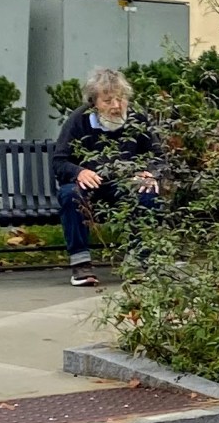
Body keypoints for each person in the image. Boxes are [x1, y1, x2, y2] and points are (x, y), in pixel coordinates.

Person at [49, 67, 162, 286]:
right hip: (90, 187)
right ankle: (81, 266)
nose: (116, 106)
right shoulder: (78, 120)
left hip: (125, 185)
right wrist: (79, 171)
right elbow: (59, 161)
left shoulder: (137, 119)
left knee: (148, 191)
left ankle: (138, 262)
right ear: (94, 103)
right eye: (108, 101)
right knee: (70, 194)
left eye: (121, 100)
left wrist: (150, 172)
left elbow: (158, 157)